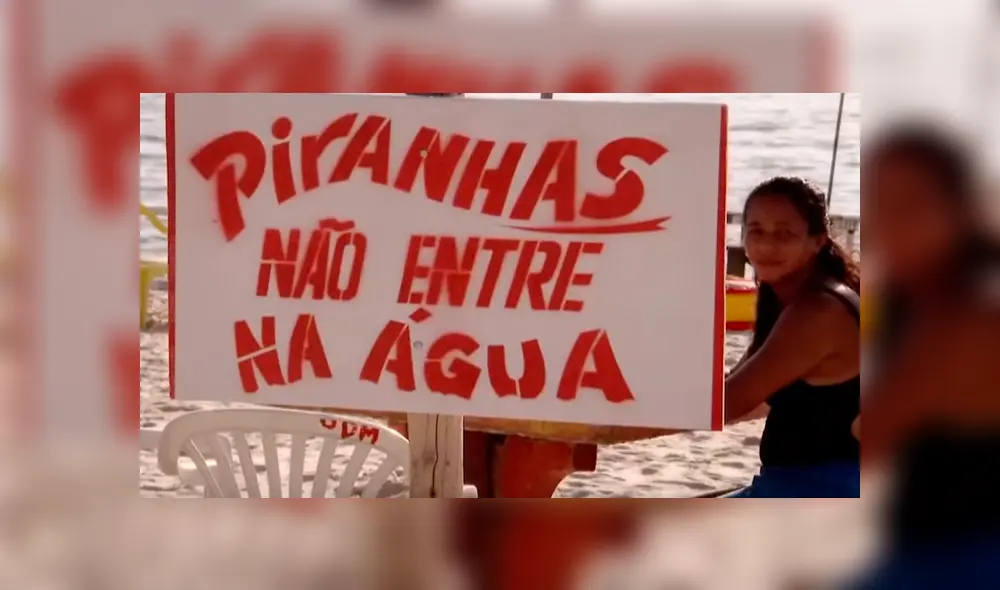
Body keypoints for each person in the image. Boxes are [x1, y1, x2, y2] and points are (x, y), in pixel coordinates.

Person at [849, 123, 1000, 588]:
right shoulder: (916, 291)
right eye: (877, 204)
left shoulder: (972, 316)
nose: (889, 224)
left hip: (968, 553)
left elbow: (869, 433)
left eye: (911, 205)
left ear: (960, 211)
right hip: (935, 540)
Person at [724, 176, 861, 498]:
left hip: (823, 487)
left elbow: (728, 403)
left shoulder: (818, 311)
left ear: (818, 241)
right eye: (756, 231)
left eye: (785, 234)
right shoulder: (786, 295)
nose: (767, 245)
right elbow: (748, 394)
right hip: (800, 482)